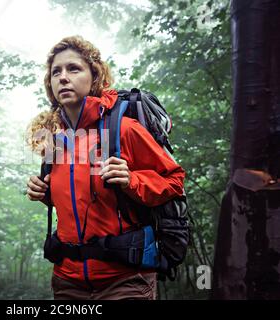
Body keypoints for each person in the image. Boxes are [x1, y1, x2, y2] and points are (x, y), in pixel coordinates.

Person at [26, 35, 185, 300]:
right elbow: (75, 202)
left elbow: (174, 180)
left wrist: (131, 180)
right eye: (56, 72)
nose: (63, 77)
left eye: (73, 69)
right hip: (67, 281)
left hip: (125, 279)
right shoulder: (55, 140)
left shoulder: (123, 129)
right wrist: (44, 193)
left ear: (94, 76)